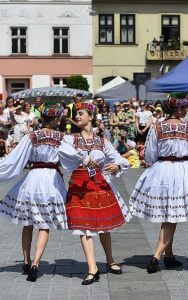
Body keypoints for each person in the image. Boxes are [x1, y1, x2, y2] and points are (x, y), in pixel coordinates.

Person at [58, 101, 132, 285]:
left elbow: (119, 160)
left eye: (81, 113)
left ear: (91, 117)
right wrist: (83, 158)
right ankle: (92, 268)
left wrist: (116, 165)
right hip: (80, 187)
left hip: (99, 186)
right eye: (76, 114)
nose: (77, 116)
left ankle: (110, 260)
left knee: (104, 226)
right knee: (84, 228)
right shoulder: (70, 139)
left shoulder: (102, 141)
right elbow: (64, 152)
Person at [0, 101, 67, 282]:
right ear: (56, 118)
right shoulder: (62, 137)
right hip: (52, 180)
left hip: (33, 179)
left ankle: (26, 261)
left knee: (28, 222)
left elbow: (15, 159)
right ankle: (36, 263)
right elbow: (72, 159)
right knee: (44, 224)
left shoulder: (32, 136)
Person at [130, 92, 188, 273]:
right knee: (172, 215)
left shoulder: (157, 126)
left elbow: (150, 154)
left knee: (169, 214)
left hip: (162, 169)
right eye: (185, 107)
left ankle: (169, 256)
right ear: (180, 109)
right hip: (181, 170)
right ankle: (156, 256)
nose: (187, 110)